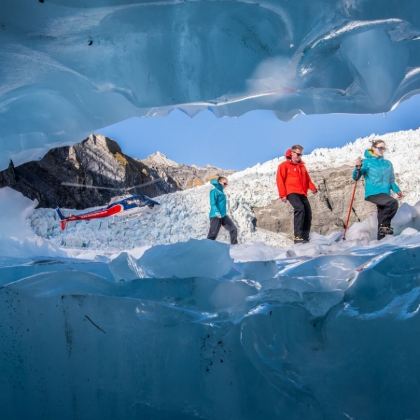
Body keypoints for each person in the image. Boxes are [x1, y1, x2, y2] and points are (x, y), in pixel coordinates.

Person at [353, 139, 403, 240]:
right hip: (373, 193)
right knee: (393, 203)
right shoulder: (366, 162)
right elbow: (356, 177)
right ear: (373, 148)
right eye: (380, 148)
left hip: (385, 193)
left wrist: (397, 190)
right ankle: (385, 229)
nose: (382, 150)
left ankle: (382, 239)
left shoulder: (388, 163)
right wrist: (358, 167)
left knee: (382, 213)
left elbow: (391, 180)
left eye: (383, 148)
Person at [276, 145, 318, 244]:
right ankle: (298, 236)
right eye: (298, 154)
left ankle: (305, 237)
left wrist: (313, 188)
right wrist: (282, 194)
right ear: (292, 153)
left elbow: (307, 179)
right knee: (300, 208)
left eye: (301, 154)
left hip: (302, 193)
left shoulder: (302, 166)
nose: (299, 156)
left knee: (308, 212)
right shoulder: (284, 166)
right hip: (291, 192)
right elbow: (280, 180)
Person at [207, 176, 238, 244]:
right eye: (225, 183)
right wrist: (217, 212)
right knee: (212, 235)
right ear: (220, 182)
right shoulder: (214, 191)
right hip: (215, 216)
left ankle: (235, 246)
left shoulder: (221, 192)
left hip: (223, 216)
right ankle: (207, 249)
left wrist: (222, 214)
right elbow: (213, 203)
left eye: (227, 184)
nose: (226, 185)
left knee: (233, 229)